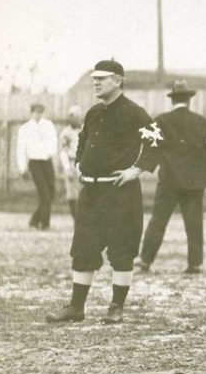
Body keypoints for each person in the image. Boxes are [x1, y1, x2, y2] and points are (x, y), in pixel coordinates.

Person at [45, 60, 162, 325]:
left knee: (121, 249)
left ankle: (116, 308)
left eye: (102, 78)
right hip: (91, 191)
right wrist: (78, 163)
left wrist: (138, 169)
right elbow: (83, 141)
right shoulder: (94, 113)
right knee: (83, 247)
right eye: (94, 78)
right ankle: (76, 307)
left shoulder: (135, 113)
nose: (96, 82)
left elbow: (157, 140)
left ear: (118, 80)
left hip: (120, 192)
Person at [137, 80, 206, 274]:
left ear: (173, 100)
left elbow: (147, 144)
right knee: (194, 223)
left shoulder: (161, 120)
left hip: (169, 179)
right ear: (189, 100)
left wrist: (161, 159)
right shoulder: (200, 121)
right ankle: (195, 264)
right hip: (194, 182)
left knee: (158, 221)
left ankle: (145, 261)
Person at [16, 103, 58, 230]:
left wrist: (51, 153)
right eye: (36, 112)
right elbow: (20, 149)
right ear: (31, 113)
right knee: (44, 194)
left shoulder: (48, 125)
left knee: (51, 193)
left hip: (47, 162)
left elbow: (53, 142)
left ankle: (34, 220)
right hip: (34, 163)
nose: (38, 115)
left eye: (41, 112)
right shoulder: (25, 128)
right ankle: (45, 224)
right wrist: (22, 168)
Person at [58, 105, 84, 220]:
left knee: (85, 191)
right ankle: (76, 219)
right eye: (73, 116)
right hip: (72, 162)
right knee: (72, 193)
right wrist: (67, 168)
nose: (76, 119)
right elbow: (63, 151)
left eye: (77, 116)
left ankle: (85, 218)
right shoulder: (65, 133)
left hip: (84, 163)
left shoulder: (85, 130)